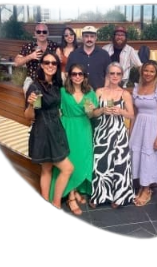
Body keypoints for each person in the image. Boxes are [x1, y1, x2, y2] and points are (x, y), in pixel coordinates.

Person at [23, 51, 74, 209]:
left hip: (56, 127)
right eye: (47, 62)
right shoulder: (35, 86)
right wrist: (31, 104)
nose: (50, 66)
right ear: (41, 65)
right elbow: (29, 116)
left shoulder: (56, 84)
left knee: (47, 169)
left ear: (57, 66)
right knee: (67, 168)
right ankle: (56, 203)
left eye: (54, 63)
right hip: (43, 130)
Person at [49, 63, 98, 216]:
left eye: (80, 74)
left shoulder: (90, 93)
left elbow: (90, 115)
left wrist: (95, 110)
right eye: (74, 74)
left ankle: (75, 189)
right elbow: (55, 109)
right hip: (67, 128)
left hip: (83, 128)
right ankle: (71, 197)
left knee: (82, 160)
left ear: (84, 77)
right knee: (71, 161)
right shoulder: (63, 92)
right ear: (69, 76)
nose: (77, 76)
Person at [89, 62, 136, 208]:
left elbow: (132, 115)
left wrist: (120, 111)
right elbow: (91, 113)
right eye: (112, 73)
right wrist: (103, 110)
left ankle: (119, 197)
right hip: (102, 133)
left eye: (118, 74)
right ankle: (98, 195)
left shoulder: (125, 94)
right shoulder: (99, 92)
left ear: (122, 76)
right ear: (108, 75)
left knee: (119, 165)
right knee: (100, 164)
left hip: (118, 134)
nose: (115, 76)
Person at [129, 60, 157, 207]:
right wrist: (130, 131)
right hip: (139, 125)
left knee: (149, 157)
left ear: (156, 73)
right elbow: (135, 112)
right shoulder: (137, 87)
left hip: (153, 127)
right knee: (138, 156)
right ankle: (141, 185)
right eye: (146, 70)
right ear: (142, 71)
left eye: (152, 71)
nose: (148, 73)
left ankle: (146, 189)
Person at [15, 23, 59, 92]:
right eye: (39, 32)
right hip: (33, 79)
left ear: (48, 33)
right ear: (35, 33)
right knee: (28, 89)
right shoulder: (29, 46)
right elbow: (17, 63)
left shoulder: (54, 46)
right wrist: (30, 56)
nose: (41, 34)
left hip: (50, 79)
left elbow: (60, 61)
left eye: (44, 32)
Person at [66, 26, 111, 92]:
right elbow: (68, 74)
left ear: (96, 38)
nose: (89, 39)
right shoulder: (73, 55)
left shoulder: (104, 54)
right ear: (82, 38)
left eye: (92, 36)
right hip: (78, 94)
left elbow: (108, 74)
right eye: (86, 36)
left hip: (98, 93)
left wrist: (105, 90)